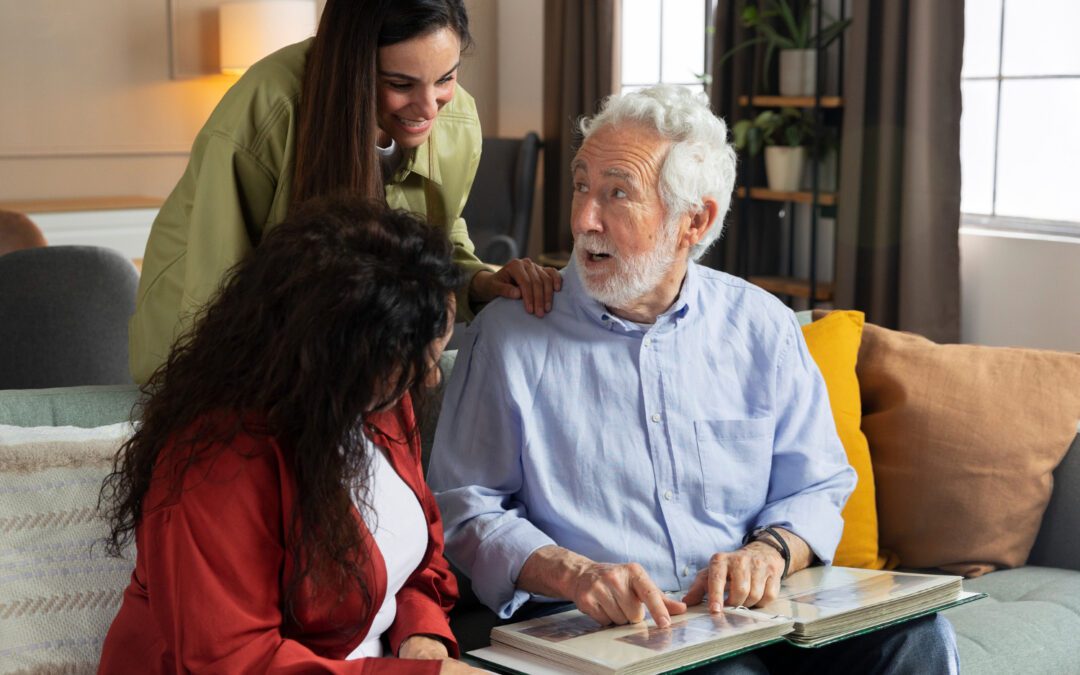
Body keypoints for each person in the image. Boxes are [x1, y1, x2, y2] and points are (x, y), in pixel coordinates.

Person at [428, 85, 960, 673]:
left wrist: (771, 551)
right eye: (582, 185)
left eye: (617, 194)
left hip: (764, 613)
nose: (584, 219)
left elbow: (817, 484)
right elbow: (465, 509)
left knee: (920, 638)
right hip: (616, 630)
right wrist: (572, 571)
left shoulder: (763, 327)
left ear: (694, 221)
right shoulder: (510, 335)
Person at [99, 196, 485, 673]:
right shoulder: (216, 464)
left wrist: (423, 637)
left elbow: (418, 560)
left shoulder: (382, 404)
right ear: (339, 357)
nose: (430, 380)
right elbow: (232, 661)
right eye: (415, 362)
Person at [129, 0, 560, 384]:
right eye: (400, 84)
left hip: (344, 353)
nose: (430, 107)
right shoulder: (268, 109)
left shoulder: (458, 121)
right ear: (354, 67)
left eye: (445, 78)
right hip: (214, 346)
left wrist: (481, 281)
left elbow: (440, 236)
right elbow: (214, 286)